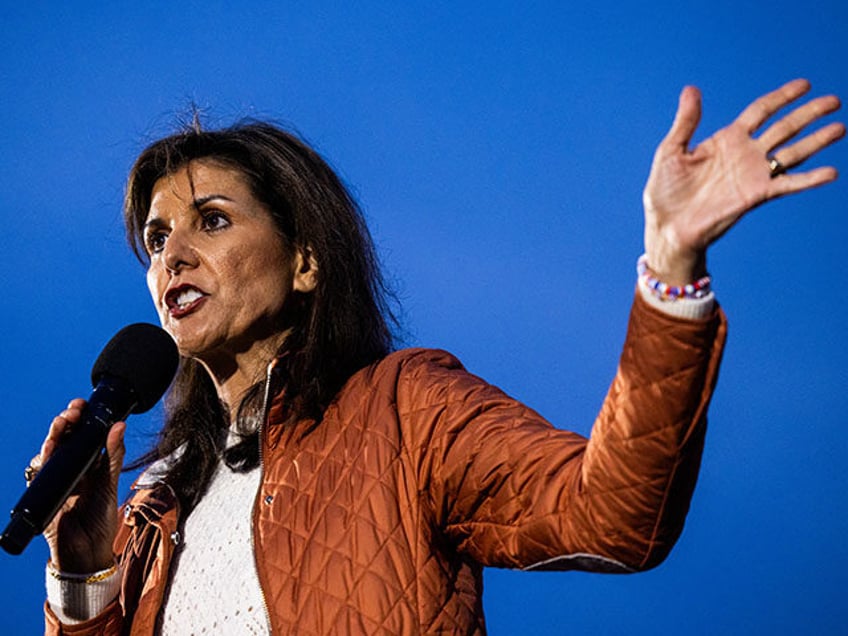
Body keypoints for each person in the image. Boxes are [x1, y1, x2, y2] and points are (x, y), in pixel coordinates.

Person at [31, 79, 842, 634]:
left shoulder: (401, 410)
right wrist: (84, 574)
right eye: (156, 238)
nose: (172, 255)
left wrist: (670, 266)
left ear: (307, 261)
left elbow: (613, 516)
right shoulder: (154, 506)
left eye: (211, 221)